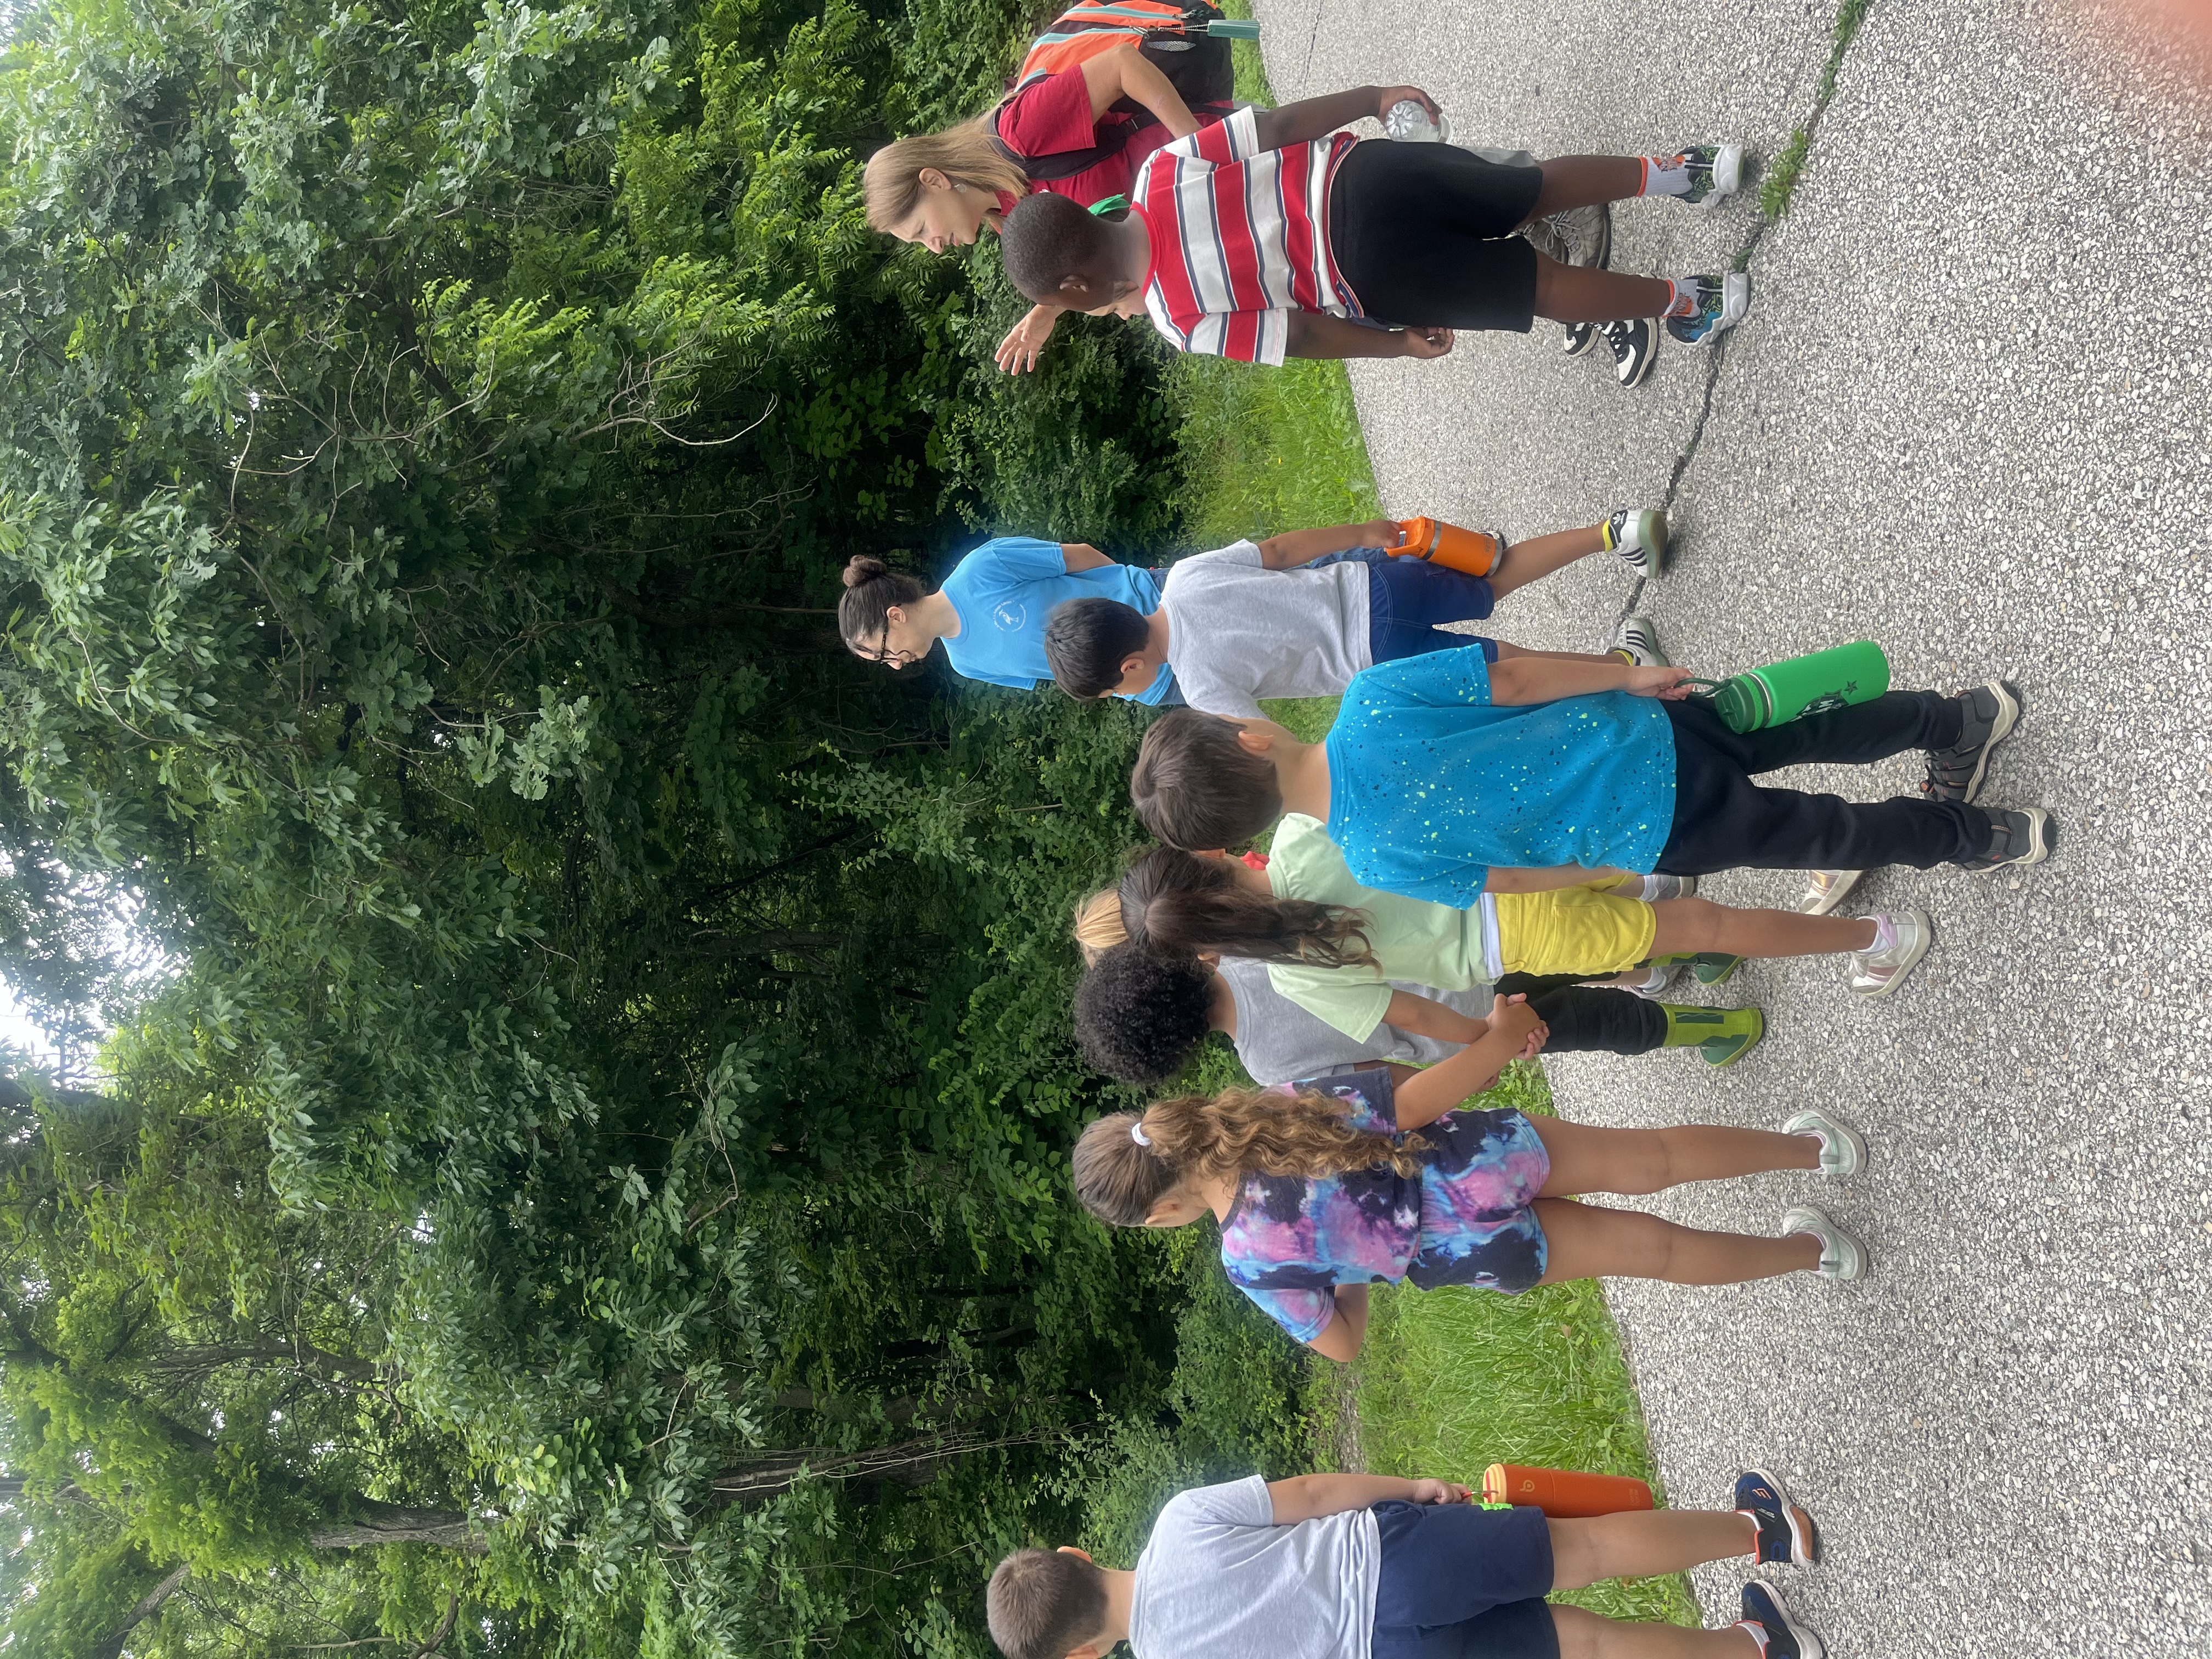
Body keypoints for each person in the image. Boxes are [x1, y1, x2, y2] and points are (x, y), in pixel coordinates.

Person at [1069, 1031, 1871, 1362]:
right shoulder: (1265, 1106)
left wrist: (1348, 1256)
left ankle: (1814, 1252)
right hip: (1471, 1160)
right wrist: (1490, 1046)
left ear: (1162, 1212)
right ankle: (1817, 1148)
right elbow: (1405, 1100)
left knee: (1653, 1253)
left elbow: (1342, 1343)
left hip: (1466, 1254)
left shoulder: (1249, 1261)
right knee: (1651, 1156)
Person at [1126, 653, 2054, 898]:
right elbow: (1516, 679)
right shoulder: (1370, 699)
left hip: (1649, 828)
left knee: (1822, 834)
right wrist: (1625, 672)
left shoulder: (1372, 860)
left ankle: (1984, 837)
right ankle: (1960, 716)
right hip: (1646, 724)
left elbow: (1510, 879)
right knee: (1804, 731)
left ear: (1239, 833)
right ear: (1248, 740)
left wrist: (1608, 867)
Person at [997, 87, 1752, 376]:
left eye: (1075, 307)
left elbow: (1300, 334)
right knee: (1536, 188)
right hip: (1366, 175)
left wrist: (1394, 342)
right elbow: (1280, 124)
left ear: (1078, 286)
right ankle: (1683, 171)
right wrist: (1372, 95)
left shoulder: (1179, 319)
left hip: (1367, 270)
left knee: (1543, 287)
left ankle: (1689, 299)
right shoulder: (1160, 169)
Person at [985, 1468, 1828, 1659]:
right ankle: (1765, 1531)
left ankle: (1755, 1648)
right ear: (1076, 1555)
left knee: (1588, 1646)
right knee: (1592, 1549)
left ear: (1084, 1654)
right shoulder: (1180, 1523)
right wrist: (1412, 1488)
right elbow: (1315, 1495)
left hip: (1392, 1656)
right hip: (1395, 1562)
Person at [1115, 826, 1936, 1012]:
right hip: (1519, 862)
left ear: (1210, 953)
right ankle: (1824, 848)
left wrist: (1492, 1034)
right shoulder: (1302, 829)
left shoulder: (1296, 975)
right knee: (1674, 849)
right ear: (1213, 851)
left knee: (1707, 929)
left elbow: (1419, 1015)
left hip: (1518, 942)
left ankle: (1881, 938)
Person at [864, 3, 1234, 375]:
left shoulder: (1019, 134)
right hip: (1200, 201)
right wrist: (1049, 309)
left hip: (1215, 154)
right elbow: (1095, 239)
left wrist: (1202, 150)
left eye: (923, 230)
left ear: (934, 181)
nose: (934, 246)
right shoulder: (1006, 220)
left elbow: (1123, 65)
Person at [1041, 510, 1666, 716]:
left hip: (1376, 658)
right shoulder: (1184, 576)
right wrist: (1364, 531)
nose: (1126, 695)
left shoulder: (1201, 686)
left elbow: (1269, 742)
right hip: (1375, 584)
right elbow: (1283, 551)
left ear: (1129, 667)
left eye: (1116, 691)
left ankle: (1621, 666)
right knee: (1493, 582)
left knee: (1508, 668)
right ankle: (1614, 532)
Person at [1071, 920, 1764, 1085]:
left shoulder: (1267, 1068)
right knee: (1585, 948)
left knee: (1590, 1024)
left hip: (1463, 1035)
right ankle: (1700, 949)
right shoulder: (1253, 938)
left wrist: (1473, 1057)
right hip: (1461, 951)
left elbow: (1380, 1077)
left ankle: (1716, 1029)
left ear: (1179, 1053)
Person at [838, 543, 1177, 701]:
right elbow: (1071, 675)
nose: (896, 665)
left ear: (895, 616)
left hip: (1162, 607)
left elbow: (1082, 557)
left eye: (885, 652)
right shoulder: (966, 665)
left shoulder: (982, 568)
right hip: (1157, 685)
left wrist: (1135, 600)